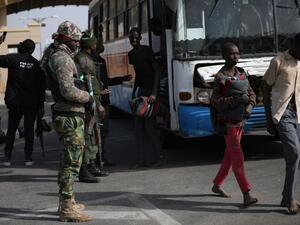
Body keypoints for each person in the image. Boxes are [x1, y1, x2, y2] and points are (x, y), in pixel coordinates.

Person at [41, 21, 92, 222]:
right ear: (65, 39)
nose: (77, 44)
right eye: (75, 41)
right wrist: (88, 97)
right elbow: (67, 90)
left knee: (69, 161)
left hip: (69, 114)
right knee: (71, 163)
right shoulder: (62, 59)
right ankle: (66, 207)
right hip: (69, 115)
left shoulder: (59, 55)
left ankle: (68, 201)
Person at [210, 42, 258, 206]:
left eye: (237, 53)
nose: (236, 56)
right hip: (228, 125)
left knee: (229, 157)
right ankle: (246, 193)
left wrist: (250, 107)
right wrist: (236, 100)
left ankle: (217, 185)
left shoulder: (242, 73)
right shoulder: (220, 77)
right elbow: (215, 102)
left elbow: (252, 94)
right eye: (232, 54)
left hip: (240, 122)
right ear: (224, 56)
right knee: (238, 157)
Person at [263, 33, 300, 214]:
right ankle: (290, 198)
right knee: (293, 152)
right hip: (283, 113)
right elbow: (265, 86)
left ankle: (287, 196)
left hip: (299, 114)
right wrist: (268, 119)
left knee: (297, 158)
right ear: (294, 44)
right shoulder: (278, 61)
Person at [0, 37, 45, 166]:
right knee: (29, 129)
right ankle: (28, 158)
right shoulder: (36, 64)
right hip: (31, 103)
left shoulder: (12, 59)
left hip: (15, 102)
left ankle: (7, 157)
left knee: (12, 129)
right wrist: (41, 105)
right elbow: (41, 86)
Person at [92, 28, 132, 167]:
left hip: (104, 100)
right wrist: (98, 97)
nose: (103, 44)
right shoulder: (91, 62)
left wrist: (122, 79)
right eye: (99, 42)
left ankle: (101, 157)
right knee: (96, 132)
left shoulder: (101, 61)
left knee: (103, 131)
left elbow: (105, 82)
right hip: (96, 102)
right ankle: (95, 160)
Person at [128, 27, 165, 168]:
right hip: (140, 93)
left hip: (150, 93)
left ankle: (160, 158)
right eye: (131, 38)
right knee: (138, 129)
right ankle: (141, 160)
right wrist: (135, 91)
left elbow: (156, 71)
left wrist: (154, 93)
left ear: (140, 38)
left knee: (149, 127)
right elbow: (138, 73)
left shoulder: (147, 51)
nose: (134, 40)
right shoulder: (131, 54)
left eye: (136, 37)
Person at [75, 31, 108, 183]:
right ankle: (87, 166)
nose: (97, 44)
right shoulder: (84, 60)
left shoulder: (87, 58)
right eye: (94, 42)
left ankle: (92, 164)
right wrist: (97, 103)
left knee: (94, 134)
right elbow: (86, 84)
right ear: (90, 45)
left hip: (93, 99)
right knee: (89, 135)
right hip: (90, 101)